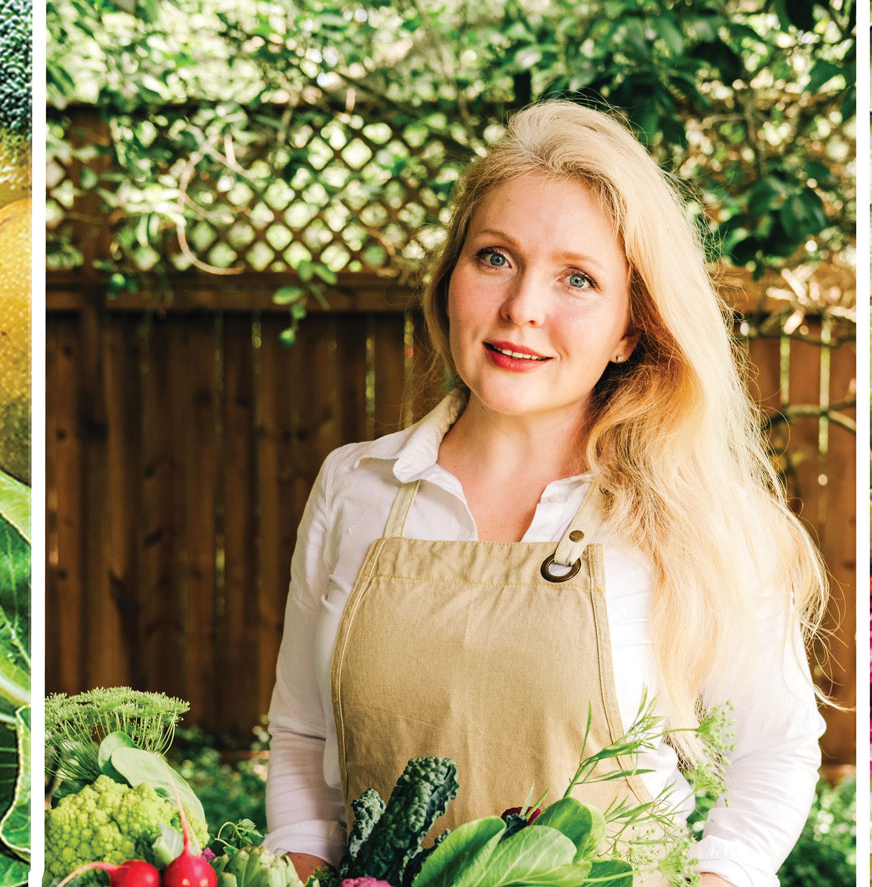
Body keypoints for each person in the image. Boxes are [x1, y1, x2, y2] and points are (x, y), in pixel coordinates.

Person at [262, 101, 828, 887]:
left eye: (577, 278)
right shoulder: (355, 487)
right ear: (452, 277)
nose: (522, 306)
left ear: (630, 329)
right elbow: (298, 736)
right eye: (495, 257)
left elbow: (774, 753)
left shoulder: (700, 519)